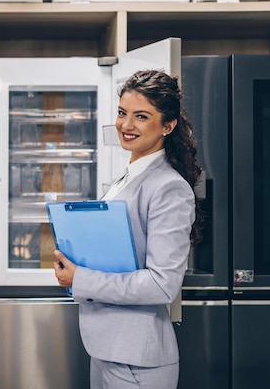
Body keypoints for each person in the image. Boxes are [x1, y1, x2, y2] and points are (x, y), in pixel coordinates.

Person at [53, 69, 203, 389]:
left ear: (168, 125)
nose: (126, 125)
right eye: (122, 113)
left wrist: (80, 278)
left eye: (141, 116)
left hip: (138, 359)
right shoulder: (129, 176)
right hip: (109, 349)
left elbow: (162, 284)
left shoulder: (169, 188)